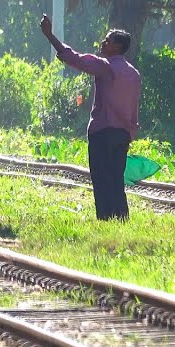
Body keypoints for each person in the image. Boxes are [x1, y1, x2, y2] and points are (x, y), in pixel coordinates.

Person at [39, 15, 141, 220]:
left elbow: (75, 58)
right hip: (122, 135)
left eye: (108, 40)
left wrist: (50, 36)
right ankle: (121, 219)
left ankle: (105, 219)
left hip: (102, 133)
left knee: (101, 179)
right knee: (116, 179)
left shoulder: (106, 66)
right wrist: (130, 132)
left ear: (117, 46)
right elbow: (134, 108)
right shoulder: (134, 74)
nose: (103, 42)